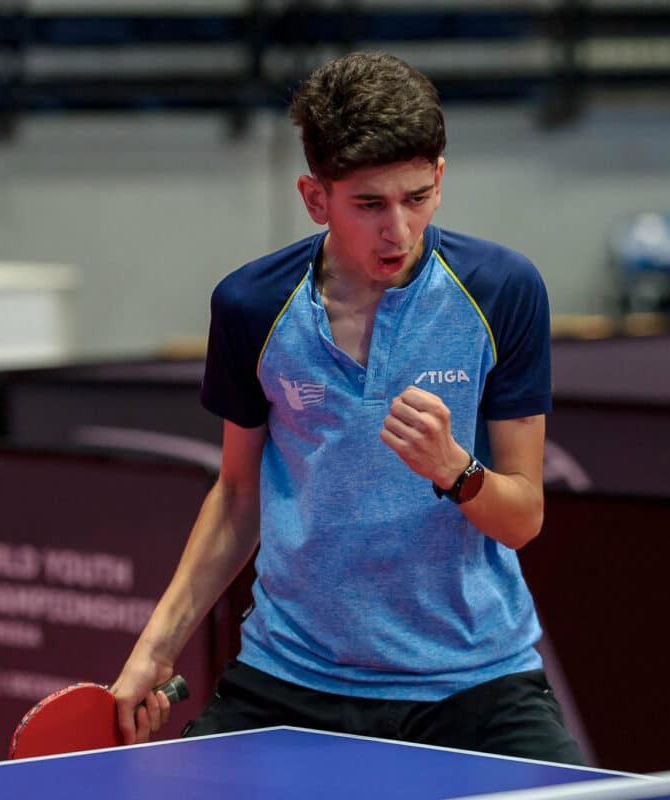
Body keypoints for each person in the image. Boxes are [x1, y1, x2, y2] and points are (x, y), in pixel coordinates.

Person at [110, 50, 583, 764]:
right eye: (369, 204)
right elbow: (237, 496)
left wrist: (455, 471)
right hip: (291, 677)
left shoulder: (503, 291)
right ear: (315, 198)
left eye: (417, 197)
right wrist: (155, 647)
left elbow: (523, 519)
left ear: (441, 178)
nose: (399, 229)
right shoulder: (251, 306)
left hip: (473, 684)